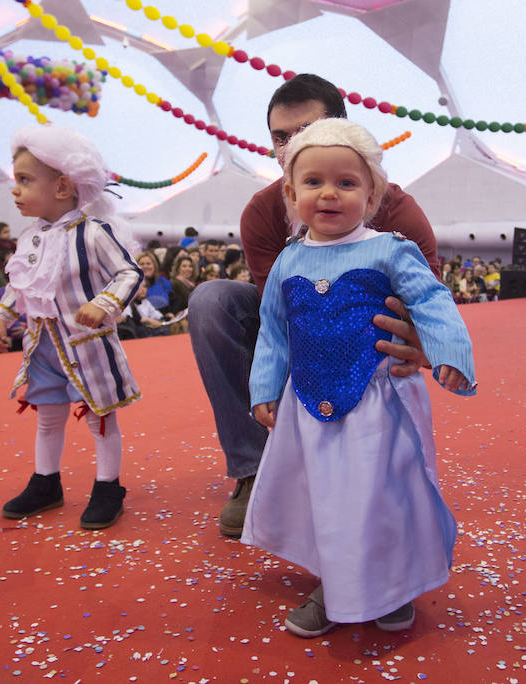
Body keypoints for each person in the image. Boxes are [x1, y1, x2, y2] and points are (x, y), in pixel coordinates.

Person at [242, 118, 476, 639]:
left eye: (347, 183)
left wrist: (449, 351)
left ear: (371, 195)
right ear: (290, 192)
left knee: (380, 490)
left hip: (379, 400)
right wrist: (263, 387)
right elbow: (274, 330)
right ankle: (337, 582)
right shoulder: (287, 261)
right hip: (309, 403)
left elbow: (430, 299)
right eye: (314, 182)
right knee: (325, 492)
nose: (329, 193)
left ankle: (389, 583)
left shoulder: (391, 249)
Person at [188, 73, 441, 538]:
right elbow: (279, 316)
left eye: (303, 133)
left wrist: (425, 344)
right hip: (301, 329)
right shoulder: (264, 212)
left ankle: (364, 464)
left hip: (372, 346)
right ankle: (252, 469)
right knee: (211, 300)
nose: (288, 148)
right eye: (279, 138)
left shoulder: (396, 210)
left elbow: (431, 303)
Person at [0, 124, 143, 529]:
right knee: (48, 415)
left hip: (86, 343)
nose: (15, 190)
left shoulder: (93, 233)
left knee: (99, 416)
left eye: (24, 180)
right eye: (15, 181)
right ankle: (46, 482)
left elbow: (128, 273)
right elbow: (18, 282)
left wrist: (104, 303)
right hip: (42, 344)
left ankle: (108, 486)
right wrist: (2, 313)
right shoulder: (29, 237)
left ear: (61, 186)